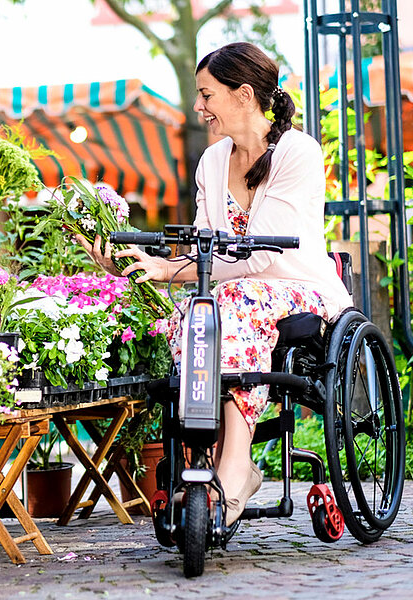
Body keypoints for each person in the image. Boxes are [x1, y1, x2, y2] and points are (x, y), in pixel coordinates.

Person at [78, 42, 352, 525]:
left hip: (302, 290)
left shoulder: (298, 152)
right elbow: (212, 251)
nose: (198, 107)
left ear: (243, 95)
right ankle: (206, 459)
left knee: (227, 300)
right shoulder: (212, 161)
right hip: (236, 295)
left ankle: (235, 467)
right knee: (194, 312)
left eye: (207, 95)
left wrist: (170, 270)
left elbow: (262, 257)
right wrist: (139, 265)